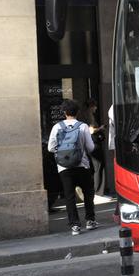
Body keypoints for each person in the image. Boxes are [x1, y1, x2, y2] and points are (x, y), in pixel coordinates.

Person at [47, 99, 97, 235]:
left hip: (64, 167)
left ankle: (75, 225)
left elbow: (50, 148)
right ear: (78, 112)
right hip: (82, 165)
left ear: (64, 112)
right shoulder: (83, 126)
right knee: (88, 193)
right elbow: (90, 147)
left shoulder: (57, 127)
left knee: (69, 196)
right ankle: (90, 220)